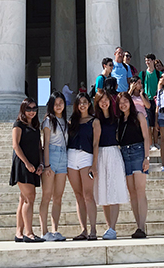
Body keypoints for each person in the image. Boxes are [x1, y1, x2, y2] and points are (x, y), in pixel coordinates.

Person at [93, 89, 129, 239]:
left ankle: (113, 227)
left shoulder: (116, 118)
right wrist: (94, 164)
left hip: (113, 153)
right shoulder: (95, 120)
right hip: (101, 154)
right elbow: (95, 143)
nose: (104, 102)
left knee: (114, 189)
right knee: (104, 192)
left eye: (106, 99)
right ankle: (109, 227)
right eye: (101, 100)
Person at [116, 91, 150, 238]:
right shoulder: (119, 120)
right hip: (124, 153)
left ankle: (142, 226)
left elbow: (146, 137)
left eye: (125, 101)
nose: (123, 104)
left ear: (130, 101)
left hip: (138, 152)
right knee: (132, 192)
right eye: (120, 102)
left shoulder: (139, 116)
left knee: (140, 189)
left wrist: (147, 157)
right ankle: (138, 225)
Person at [66, 92, 100, 240]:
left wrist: (94, 164)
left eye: (85, 102)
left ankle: (93, 229)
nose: (82, 105)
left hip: (86, 156)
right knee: (78, 195)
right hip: (71, 158)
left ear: (89, 104)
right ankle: (83, 230)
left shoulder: (94, 121)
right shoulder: (71, 121)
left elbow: (96, 143)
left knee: (88, 195)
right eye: (80, 102)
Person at [10, 98, 44, 243]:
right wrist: (27, 164)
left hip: (35, 165)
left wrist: (41, 163)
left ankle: (19, 233)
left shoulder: (36, 126)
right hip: (23, 165)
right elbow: (16, 146)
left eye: (34, 109)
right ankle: (29, 233)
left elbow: (39, 146)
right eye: (28, 109)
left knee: (23, 199)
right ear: (23, 110)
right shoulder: (18, 124)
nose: (31, 112)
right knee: (30, 198)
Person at [39, 92, 69, 241]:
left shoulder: (65, 121)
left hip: (64, 157)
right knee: (46, 196)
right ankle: (44, 231)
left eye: (61, 102)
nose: (59, 105)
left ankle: (55, 230)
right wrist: (47, 165)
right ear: (51, 105)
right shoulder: (48, 121)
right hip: (51, 156)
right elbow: (46, 144)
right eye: (56, 103)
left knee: (58, 197)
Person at [140, 54, 160, 151]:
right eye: (146, 60)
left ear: (153, 61)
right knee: (149, 124)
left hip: (156, 100)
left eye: (149, 60)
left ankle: (156, 142)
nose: (147, 62)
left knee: (155, 124)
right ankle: (151, 144)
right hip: (147, 101)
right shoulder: (143, 74)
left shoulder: (158, 73)